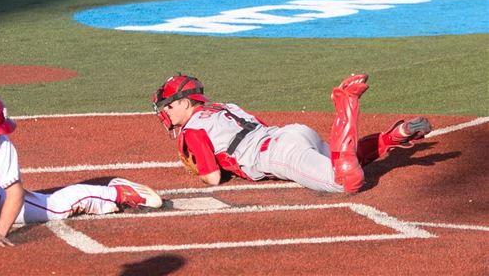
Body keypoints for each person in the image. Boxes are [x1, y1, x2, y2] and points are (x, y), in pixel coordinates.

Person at [0, 92, 163, 255]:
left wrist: (0, 232)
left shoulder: (2, 146)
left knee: (57, 208)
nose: (1, 133)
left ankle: (115, 193)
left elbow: (14, 193)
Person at [151, 73, 432, 193]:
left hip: (278, 154)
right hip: (291, 134)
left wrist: (199, 168)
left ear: (186, 103)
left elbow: (212, 178)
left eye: (168, 106)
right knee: (341, 161)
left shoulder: (192, 129)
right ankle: (391, 137)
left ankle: (347, 104)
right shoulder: (226, 107)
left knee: (345, 181)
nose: (165, 112)